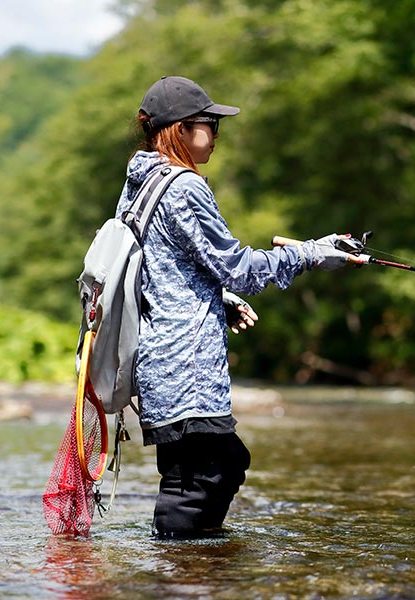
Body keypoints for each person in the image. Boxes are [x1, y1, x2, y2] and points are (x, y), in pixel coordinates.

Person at [119, 75, 355, 538]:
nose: (217, 134)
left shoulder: (141, 182)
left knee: (218, 464)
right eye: (210, 123)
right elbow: (240, 268)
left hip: (161, 359)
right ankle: (179, 573)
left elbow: (161, 266)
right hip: (184, 369)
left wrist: (216, 299)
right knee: (200, 479)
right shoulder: (183, 186)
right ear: (181, 128)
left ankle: (187, 567)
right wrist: (314, 252)